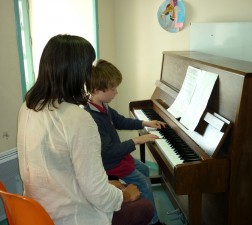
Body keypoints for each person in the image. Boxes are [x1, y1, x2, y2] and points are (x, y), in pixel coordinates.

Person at [17, 34, 154, 225]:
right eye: (88, 67)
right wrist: (124, 195)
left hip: (36, 210)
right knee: (144, 206)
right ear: (76, 72)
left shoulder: (28, 106)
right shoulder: (80, 118)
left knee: (116, 185)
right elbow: (98, 195)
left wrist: (106, 184)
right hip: (71, 217)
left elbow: (59, 166)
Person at [84, 59, 167, 225]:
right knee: (143, 181)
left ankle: (140, 206)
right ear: (96, 90)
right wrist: (137, 140)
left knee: (143, 169)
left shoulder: (102, 106)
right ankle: (154, 222)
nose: (116, 92)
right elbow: (108, 151)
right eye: (113, 89)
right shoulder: (92, 117)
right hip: (110, 163)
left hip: (118, 158)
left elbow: (121, 121)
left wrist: (144, 123)